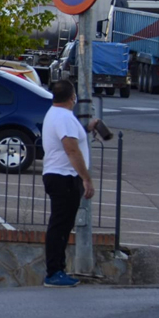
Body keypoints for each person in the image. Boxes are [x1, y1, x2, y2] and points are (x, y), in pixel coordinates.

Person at [41, 80, 99, 288]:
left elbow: (70, 137)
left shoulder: (56, 114)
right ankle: (54, 272)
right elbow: (71, 149)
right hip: (63, 176)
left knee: (63, 225)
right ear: (72, 97)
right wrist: (86, 178)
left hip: (58, 175)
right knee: (59, 225)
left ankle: (58, 269)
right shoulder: (64, 117)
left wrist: (87, 128)